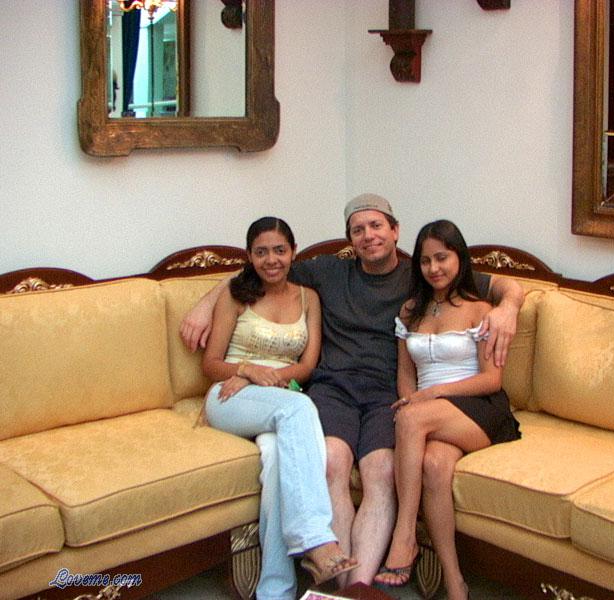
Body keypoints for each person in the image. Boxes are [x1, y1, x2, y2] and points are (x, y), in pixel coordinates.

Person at [181, 194, 524, 586]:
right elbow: (265, 268)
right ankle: (345, 586)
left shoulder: (421, 273)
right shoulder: (328, 271)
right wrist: (207, 303)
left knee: (381, 473)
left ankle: (356, 587)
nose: (368, 236)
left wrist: (509, 307)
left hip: (386, 395)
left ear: (395, 231)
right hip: (333, 389)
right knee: (331, 463)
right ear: (350, 239)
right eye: (358, 230)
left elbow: (501, 286)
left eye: (376, 226)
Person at [201, 216, 357, 600]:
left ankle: (275, 590)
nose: (271, 260)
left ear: (293, 252)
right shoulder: (236, 295)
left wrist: (266, 378)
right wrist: (246, 370)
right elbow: (211, 364)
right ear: (249, 256)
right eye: (261, 252)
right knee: (300, 409)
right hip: (230, 396)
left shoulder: (308, 298)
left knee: (275, 459)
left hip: (278, 394)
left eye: (279, 250)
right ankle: (315, 537)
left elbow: (307, 366)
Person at [374, 220, 520, 600]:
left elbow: (492, 380)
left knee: (410, 417)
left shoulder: (480, 310)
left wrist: (434, 394)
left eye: (442, 258)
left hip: (479, 407)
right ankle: (456, 584)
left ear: (459, 258)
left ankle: (404, 534)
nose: (434, 268)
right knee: (435, 465)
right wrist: (414, 398)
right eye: (425, 261)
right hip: (432, 412)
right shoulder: (410, 310)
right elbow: (406, 376)